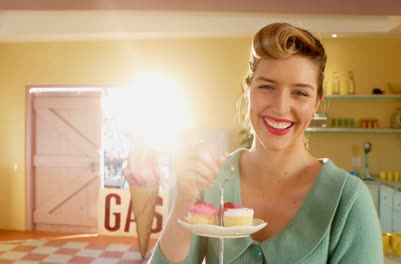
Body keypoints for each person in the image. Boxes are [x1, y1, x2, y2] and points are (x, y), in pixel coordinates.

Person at [149, 22, 383, 263]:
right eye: (267, 87)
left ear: (317, 103)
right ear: (247, 90)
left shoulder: (348, 200)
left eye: (300, 93)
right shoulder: (210, 180)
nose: (280, 107)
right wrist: (185, 199)